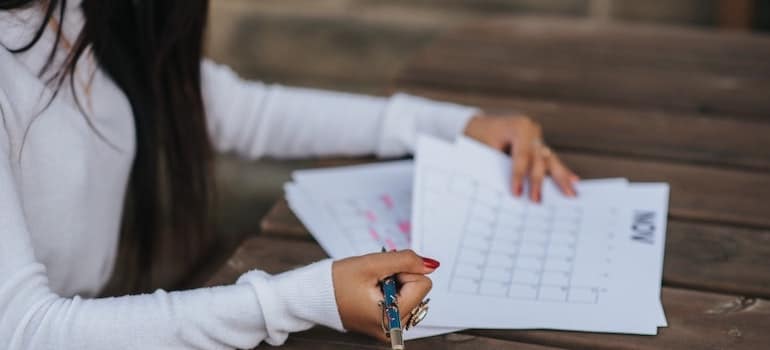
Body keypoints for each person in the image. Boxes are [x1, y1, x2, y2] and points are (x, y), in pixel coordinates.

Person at [0, 0, 578, 349]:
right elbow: (26, 332)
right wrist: (297, 302)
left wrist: (454, 126)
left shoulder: (71, 14)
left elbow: (237, 111)